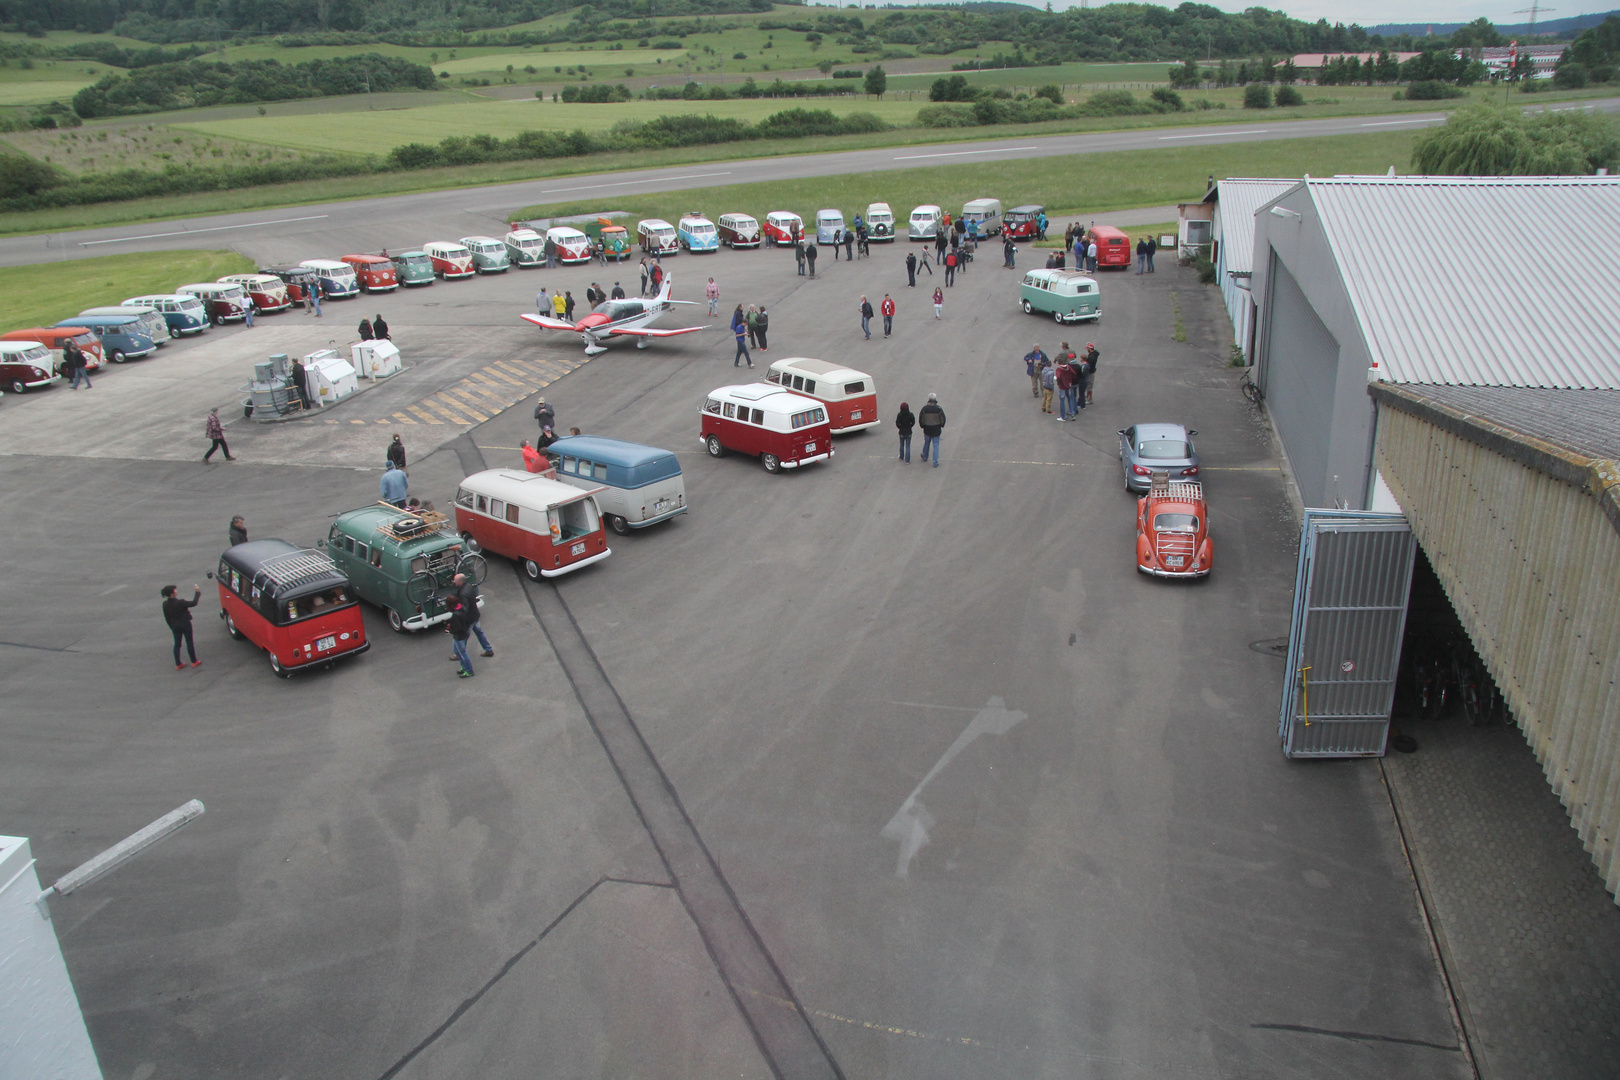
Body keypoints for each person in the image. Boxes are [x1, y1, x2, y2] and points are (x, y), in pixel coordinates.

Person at [451, 571, 494, 658]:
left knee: (463, 637)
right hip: (475, 615)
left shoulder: (462, 594)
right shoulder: (469, 586)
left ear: (460, 582)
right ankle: (488, 649)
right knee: (479, 632)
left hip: (469, 619)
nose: (454, 582)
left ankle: (458, 654)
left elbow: (464, 609)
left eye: (455, 581)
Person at [161, 584, 202, 670]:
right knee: (189, 642)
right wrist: (197, 592)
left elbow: (167, 617)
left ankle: (178, 663)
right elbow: (194, 603)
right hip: (185, 623)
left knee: (177, 644)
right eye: (175, 590)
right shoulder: (180, 602)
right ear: (172, 593)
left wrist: (171, 626)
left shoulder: (165, 604)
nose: (176, 591)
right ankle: (194, 661)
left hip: (175, 625)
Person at [446, 596, 476, 678]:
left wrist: (450, 629)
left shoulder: (456, 615)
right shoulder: (462, 608)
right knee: (458, 652)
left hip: (459, 636)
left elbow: (457, 628)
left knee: (462, 653)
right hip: (463, 633)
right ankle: (465, 668)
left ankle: (469, 671)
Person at [917, 393, 946, 468]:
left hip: (927, 429)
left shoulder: (925, 408)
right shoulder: (938, 409)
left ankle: (925, 456)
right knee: (935, 445)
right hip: (936, 429)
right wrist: (941, 425)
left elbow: (921, 419)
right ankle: (935, 462)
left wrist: (922, 426)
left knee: (927, 443)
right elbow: (943, 419)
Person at [1054, 354, 1074, 420]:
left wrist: (1059, 382)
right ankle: (1072, 412)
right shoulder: (1068, 367)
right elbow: (1074, 373)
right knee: (1070, 398)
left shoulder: (1059, 369)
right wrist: (1070, 381)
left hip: (1062, 386)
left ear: (1058, 362)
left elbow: (1059, 377)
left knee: (1062, 400)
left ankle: (1063, 416)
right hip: (1068, 385)